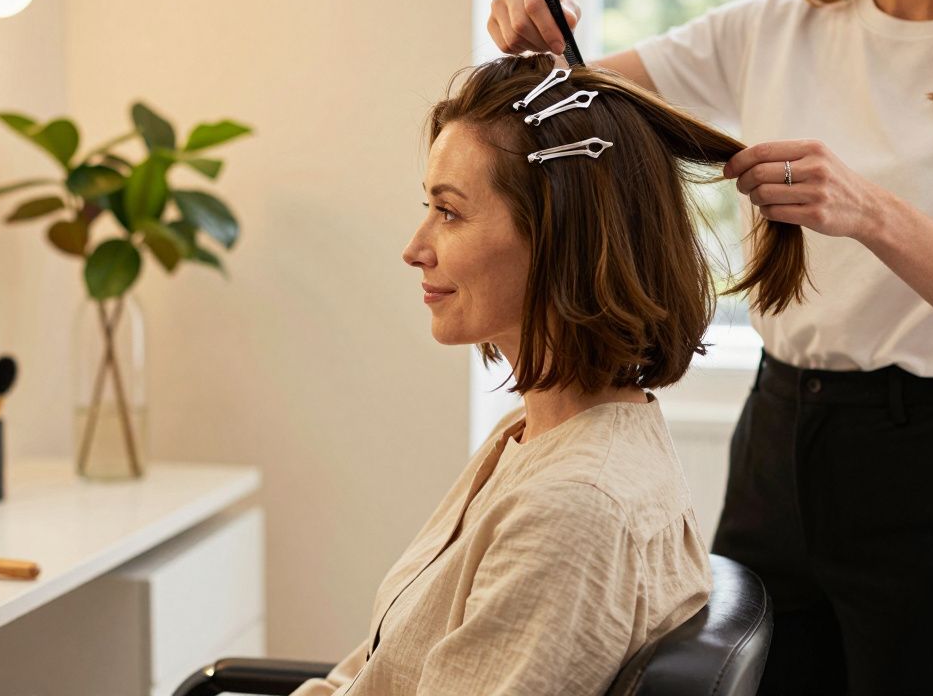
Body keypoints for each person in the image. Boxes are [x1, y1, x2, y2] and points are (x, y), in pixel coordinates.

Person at [487, 0, 933, 693]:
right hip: (781, 430)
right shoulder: (778, 21)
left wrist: (871, 212)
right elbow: (574, 101)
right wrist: (542, 38)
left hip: (923, 462)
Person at [291, 53, 803, 696]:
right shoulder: (537, 435)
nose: (415, 247)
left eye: (448, 212)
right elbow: (381, 663)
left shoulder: (573, 506)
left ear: (562, 236)